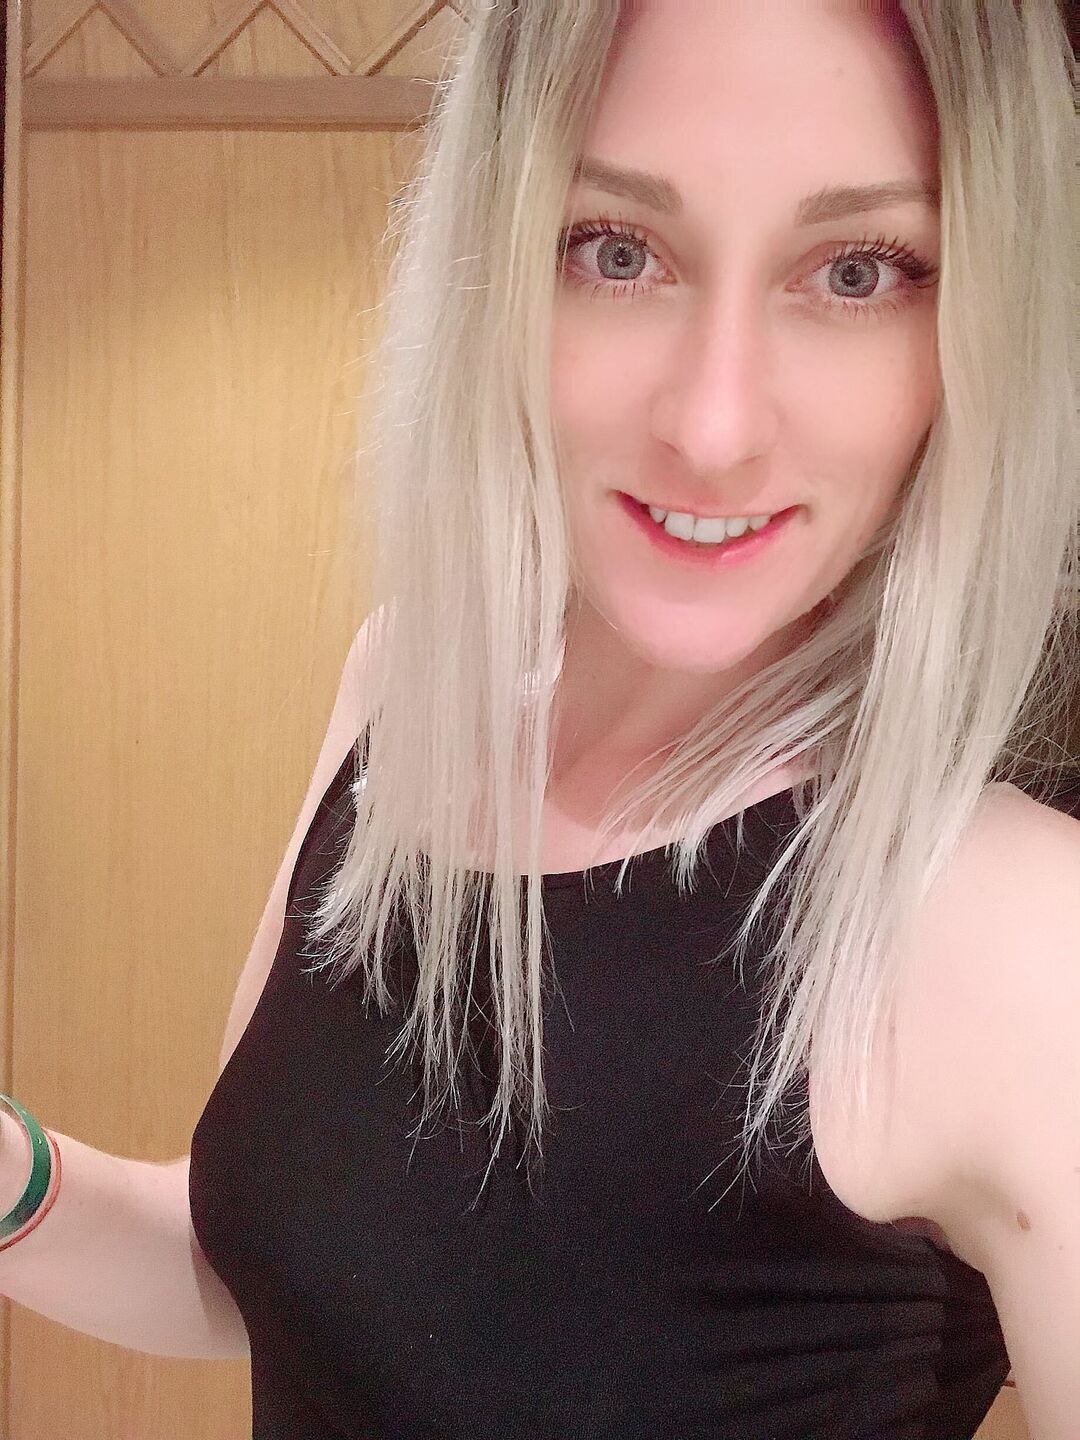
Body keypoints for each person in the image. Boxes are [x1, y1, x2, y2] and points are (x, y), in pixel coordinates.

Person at [1, 1, 1077, 1435]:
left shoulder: (1016, 934)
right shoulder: (411, 695)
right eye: (617, 251)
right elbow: (281, 1271)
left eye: (857, 271)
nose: (713, 425)